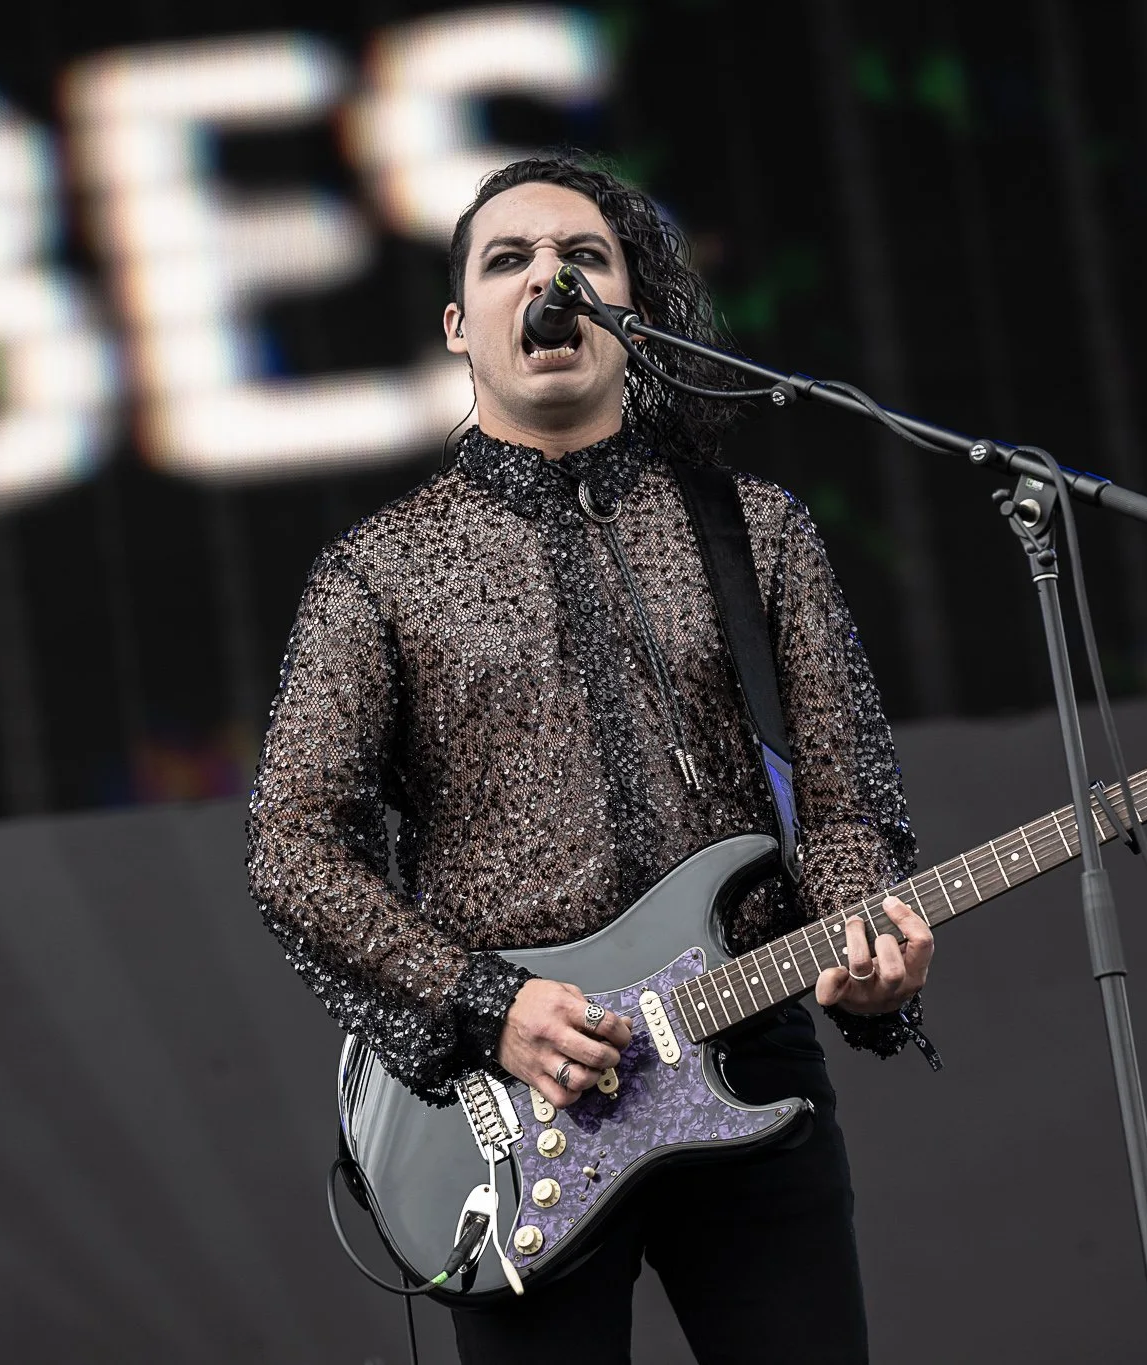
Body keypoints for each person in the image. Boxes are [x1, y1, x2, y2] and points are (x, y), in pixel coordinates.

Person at [246, 155, 938, 1365]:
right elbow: (293, 849)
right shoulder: (379, 570)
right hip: (513, 1099)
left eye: (582, 257)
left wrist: (865, 937)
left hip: (744, 1047)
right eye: (507, 261)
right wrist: (484, 1004)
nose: (547, 280)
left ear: (633, 309)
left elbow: (841, 802)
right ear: (458, 327)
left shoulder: (755, 529)